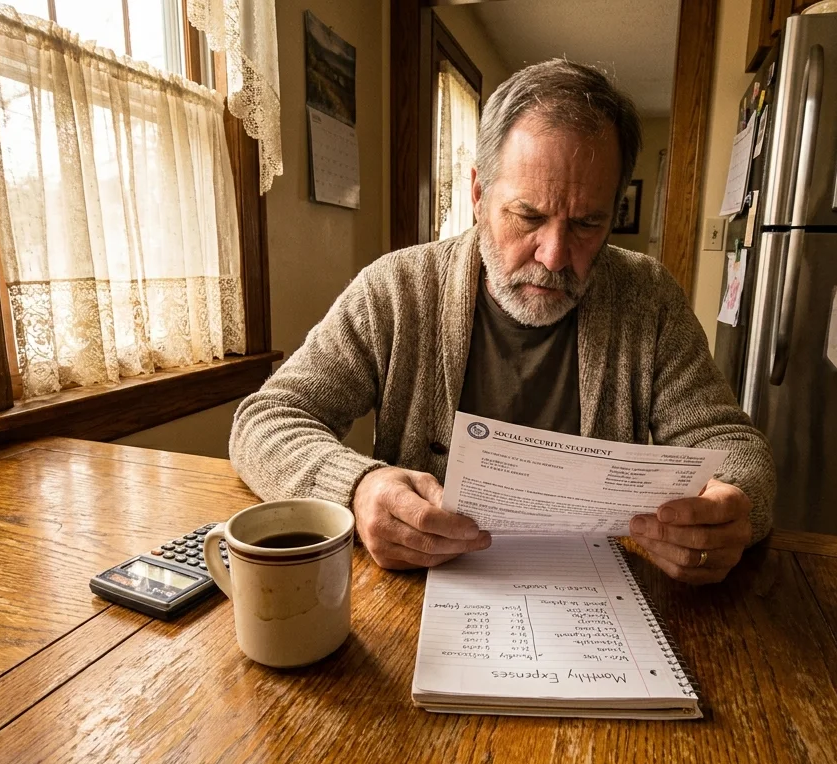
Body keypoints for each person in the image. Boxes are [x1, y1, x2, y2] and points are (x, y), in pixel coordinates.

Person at [230, 60, 775, 586]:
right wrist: (358, 487)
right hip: (421, 595)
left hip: (597, 596)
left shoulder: (648, 299)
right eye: (528, 216)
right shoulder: (396, 290)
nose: (556, 255)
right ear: (477, 193)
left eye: (588, 223)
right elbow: (266, 420)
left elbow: (731, 443)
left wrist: (735, 507)